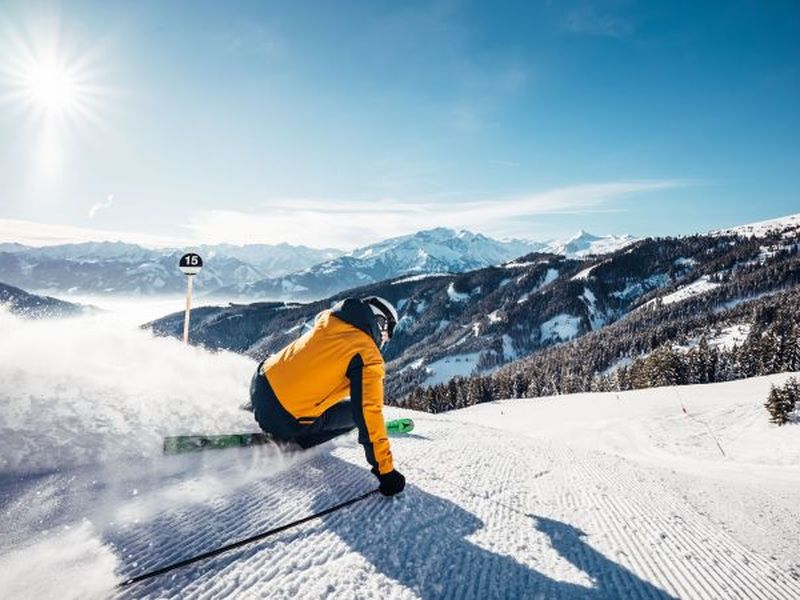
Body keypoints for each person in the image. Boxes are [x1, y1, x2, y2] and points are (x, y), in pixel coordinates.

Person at [249, 295, 406, 497]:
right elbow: (368, 412)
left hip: (259, 384)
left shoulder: (329, 320)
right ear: (380, 322)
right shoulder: (367, 354)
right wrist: (386, 472)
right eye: (389, 331)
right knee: (354, 416)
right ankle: (295, 440)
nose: (388, 339)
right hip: (281, 420)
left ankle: (254, 407)